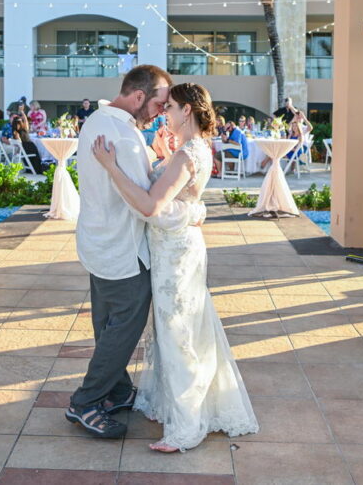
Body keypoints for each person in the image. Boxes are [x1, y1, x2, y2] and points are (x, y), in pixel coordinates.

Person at [91, 82, 258, 452]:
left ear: (187, 111)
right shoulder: (190, 149)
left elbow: (152, 207)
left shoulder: (187, 155)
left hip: (176, 256)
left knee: (178, 335)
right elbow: (178, 198)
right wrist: (163, 162)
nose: (164, 112)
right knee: (181, 331)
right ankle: (181, 406)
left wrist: (111, 167)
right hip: (175, 251)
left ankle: (187, 426)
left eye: (170, 107)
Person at [66, 65, 209, 442]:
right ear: (139, 96)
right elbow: (147, 202)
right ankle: (86, 401)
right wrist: (193, 211)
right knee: (122, 331)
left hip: (98, 242)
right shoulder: (124, 139)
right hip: (123, 248)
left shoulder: (98, 120)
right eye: (160, 103)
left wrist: (157, 156)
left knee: (106, 322)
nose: (162, 112)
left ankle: (116, 391)